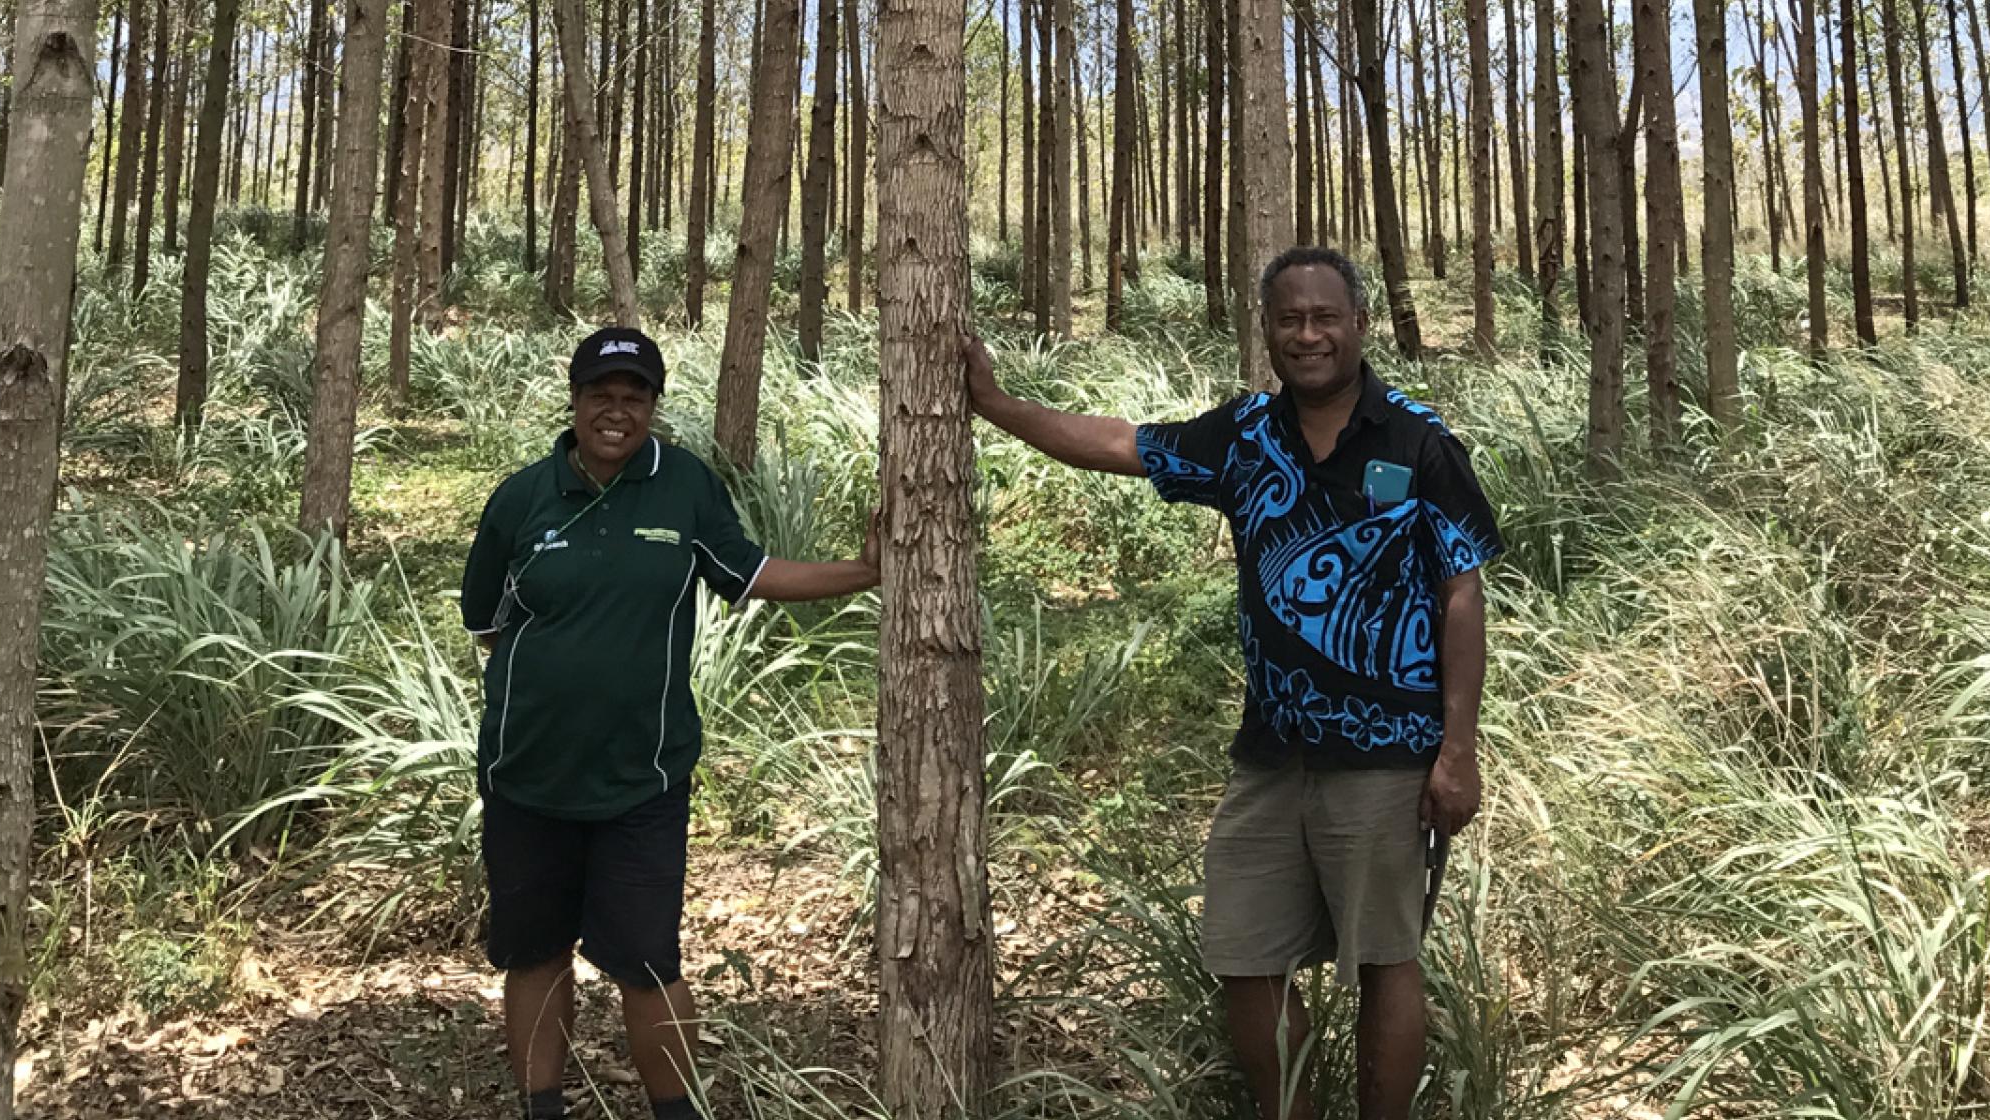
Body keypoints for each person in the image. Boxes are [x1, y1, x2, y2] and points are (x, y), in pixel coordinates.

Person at [963, 247, 1502, 1120]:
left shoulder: (1418, 440)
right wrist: (993, 403)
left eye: (1326, 316)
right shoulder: (1246, 437)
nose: (1309, 334)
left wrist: (1457, 751)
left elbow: (1461, 593)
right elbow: (1120, 443)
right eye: (1289, 319)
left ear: (1359, 323)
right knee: (1245, 957)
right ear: (1267, 329)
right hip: (1271, 755)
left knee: (1384, 958)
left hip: (1386, 759)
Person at [459, 326, 880, 1120]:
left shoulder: (683, 485)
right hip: (527, 774)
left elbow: (748, 572)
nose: (616, 412)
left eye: (634, 398)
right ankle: (541, 1107)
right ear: (575, 400)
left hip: (642, 779)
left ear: (652, 406)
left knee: (647, 963)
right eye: (601, 396)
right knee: (535, 954)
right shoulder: (522, 496)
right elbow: (484, 618)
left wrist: (864, 572)